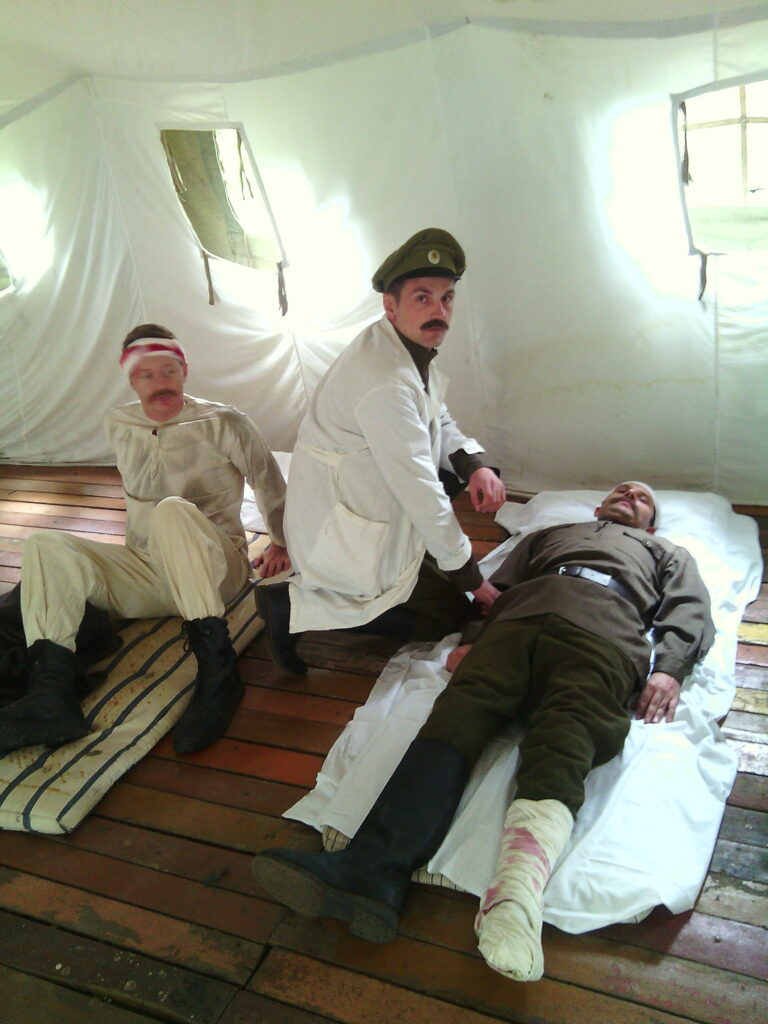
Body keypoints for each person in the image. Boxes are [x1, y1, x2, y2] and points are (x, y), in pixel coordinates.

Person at [252, 481, 714, 982]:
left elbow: (688, 609)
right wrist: (472, 637)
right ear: (598, 506)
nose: (629, 494)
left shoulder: (667, 552)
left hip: (603, 637)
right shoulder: (551, 534)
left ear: (651, 525)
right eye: (621, 490)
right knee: (454, 721)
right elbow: (494, 593)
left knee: (567, 740)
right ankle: (370, 869)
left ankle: (514, 901)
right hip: (515, 625)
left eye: (642, 498)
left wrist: (670, 669)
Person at [0, 324, 290, 757]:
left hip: (215, 571)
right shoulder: (119, 423)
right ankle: (51, 696)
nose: (161, 384)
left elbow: (269, 482)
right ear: (132, 381)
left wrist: (281, 541)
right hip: (150, 571)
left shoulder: (225, 422)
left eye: (169, 371)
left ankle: (218, 672)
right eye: (147, 375)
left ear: (184, 372)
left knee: (170, 510)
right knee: (46, 544)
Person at [258, 228, 506, 676]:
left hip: (369, 501)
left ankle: (413, 571)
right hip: (344, 527)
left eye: (447, 298)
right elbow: (420, 490)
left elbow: (434, 413)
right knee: (448, 616)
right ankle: (287, 608)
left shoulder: (404, 347)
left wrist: (474, 465)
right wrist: (472, 578)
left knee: (448, 585)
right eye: (423, 298)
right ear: (390, 306)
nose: (439, 311)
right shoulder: (383, 379)